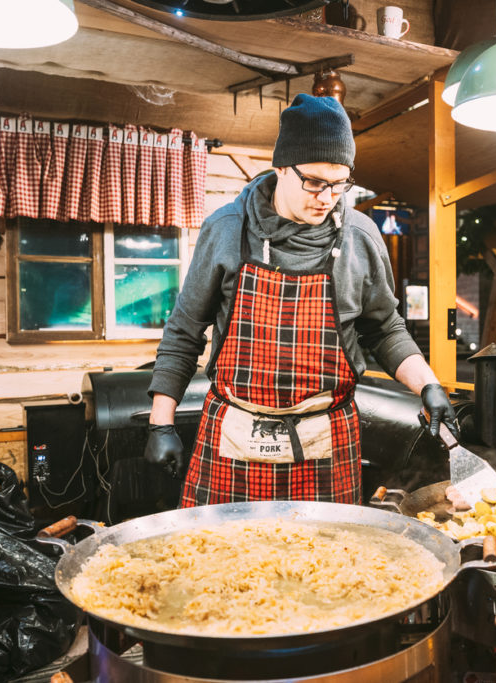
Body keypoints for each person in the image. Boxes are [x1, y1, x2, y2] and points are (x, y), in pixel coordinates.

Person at [142, 94, 457, 507]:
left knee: (324, 566)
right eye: (314, 182)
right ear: (280, 168)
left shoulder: (360, 238)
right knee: (220, 562)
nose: (327, 197)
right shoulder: (225, 230)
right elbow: (185, 330)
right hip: (235, 433)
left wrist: (428, 385)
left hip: (325, 438)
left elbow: (385, 328)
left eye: (340, 183)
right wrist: (160, 423)